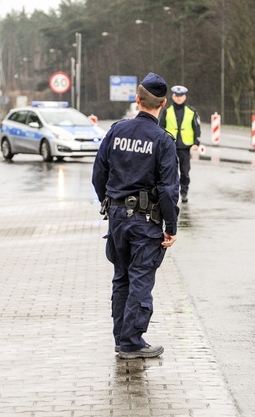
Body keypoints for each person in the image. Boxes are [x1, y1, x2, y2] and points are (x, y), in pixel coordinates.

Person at [92, 72, 180, 359]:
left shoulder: (116, 131)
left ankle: (121, 338)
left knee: (121, 277)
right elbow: (168, 189)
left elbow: (98, 174)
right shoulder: (162, 140)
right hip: (145, 222)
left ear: (137, 99)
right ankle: (131, 342)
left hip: (117, 217)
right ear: (163, 103)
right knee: (140, 278)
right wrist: (171, 225)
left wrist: (110, 201)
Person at [158, 85, 201, 203]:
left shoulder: (191, 111)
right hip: (170, 146)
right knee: (170, 171)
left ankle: (184, 192)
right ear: (173, 96)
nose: (179, 98)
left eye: (181, 96)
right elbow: (160, 128)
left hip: (185, 147)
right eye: (176, 96)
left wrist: (196, 142)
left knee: (185, 171)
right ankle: (172, 192)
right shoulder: (167, 111)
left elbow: (196, 127)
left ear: (185, 97)